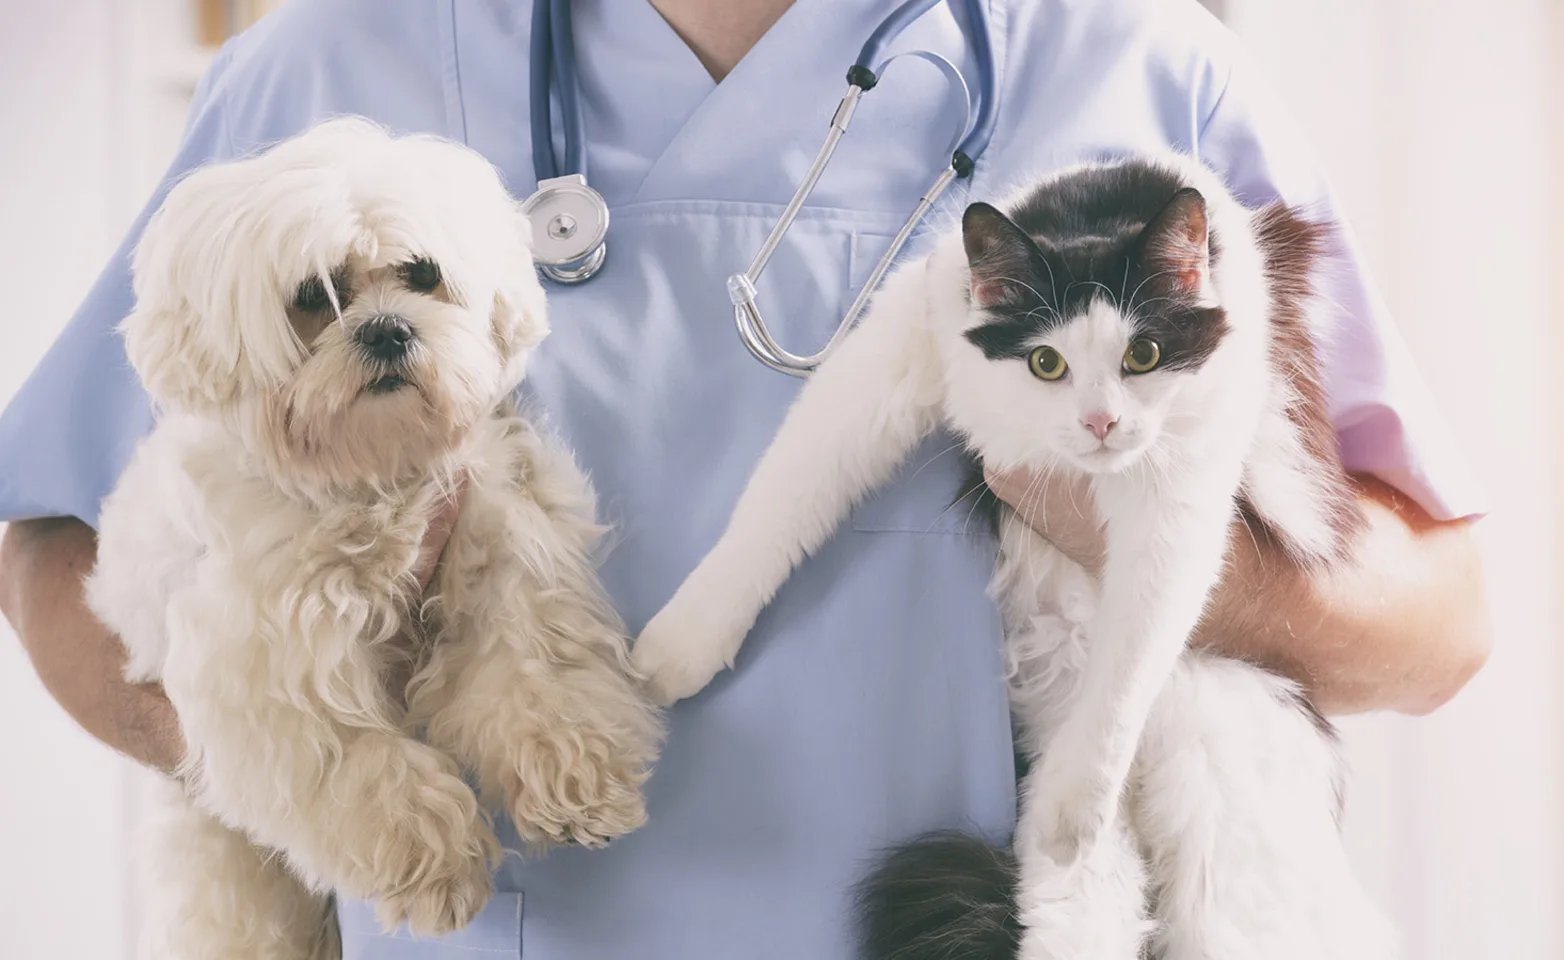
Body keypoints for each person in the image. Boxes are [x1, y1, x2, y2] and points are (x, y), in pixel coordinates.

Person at [0, 0, 1490, 956]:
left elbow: (1439, 622)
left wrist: (1151, 547)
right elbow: (57, 554)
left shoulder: (1133, 66)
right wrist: (294, 744)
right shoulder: (324, 67)